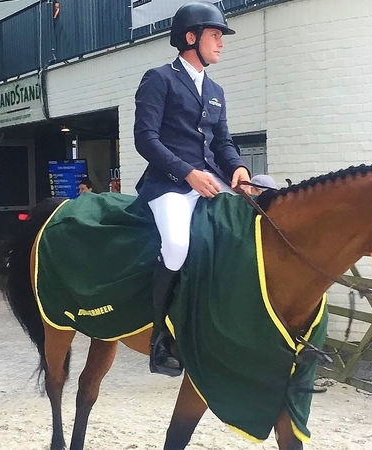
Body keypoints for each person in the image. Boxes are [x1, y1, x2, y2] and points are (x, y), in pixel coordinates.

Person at [133, 2, 249, 376]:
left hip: (211, 181)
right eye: (215, 36)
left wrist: (240, 170)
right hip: (169, 184)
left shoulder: (215, 89)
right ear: (190, 37)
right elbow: (146, 139)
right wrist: (187, 174)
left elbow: (223, 143)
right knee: (178, 246)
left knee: (248, 232)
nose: (221, 43)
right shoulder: (159, 79)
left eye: (220, 37)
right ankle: (159, 340)